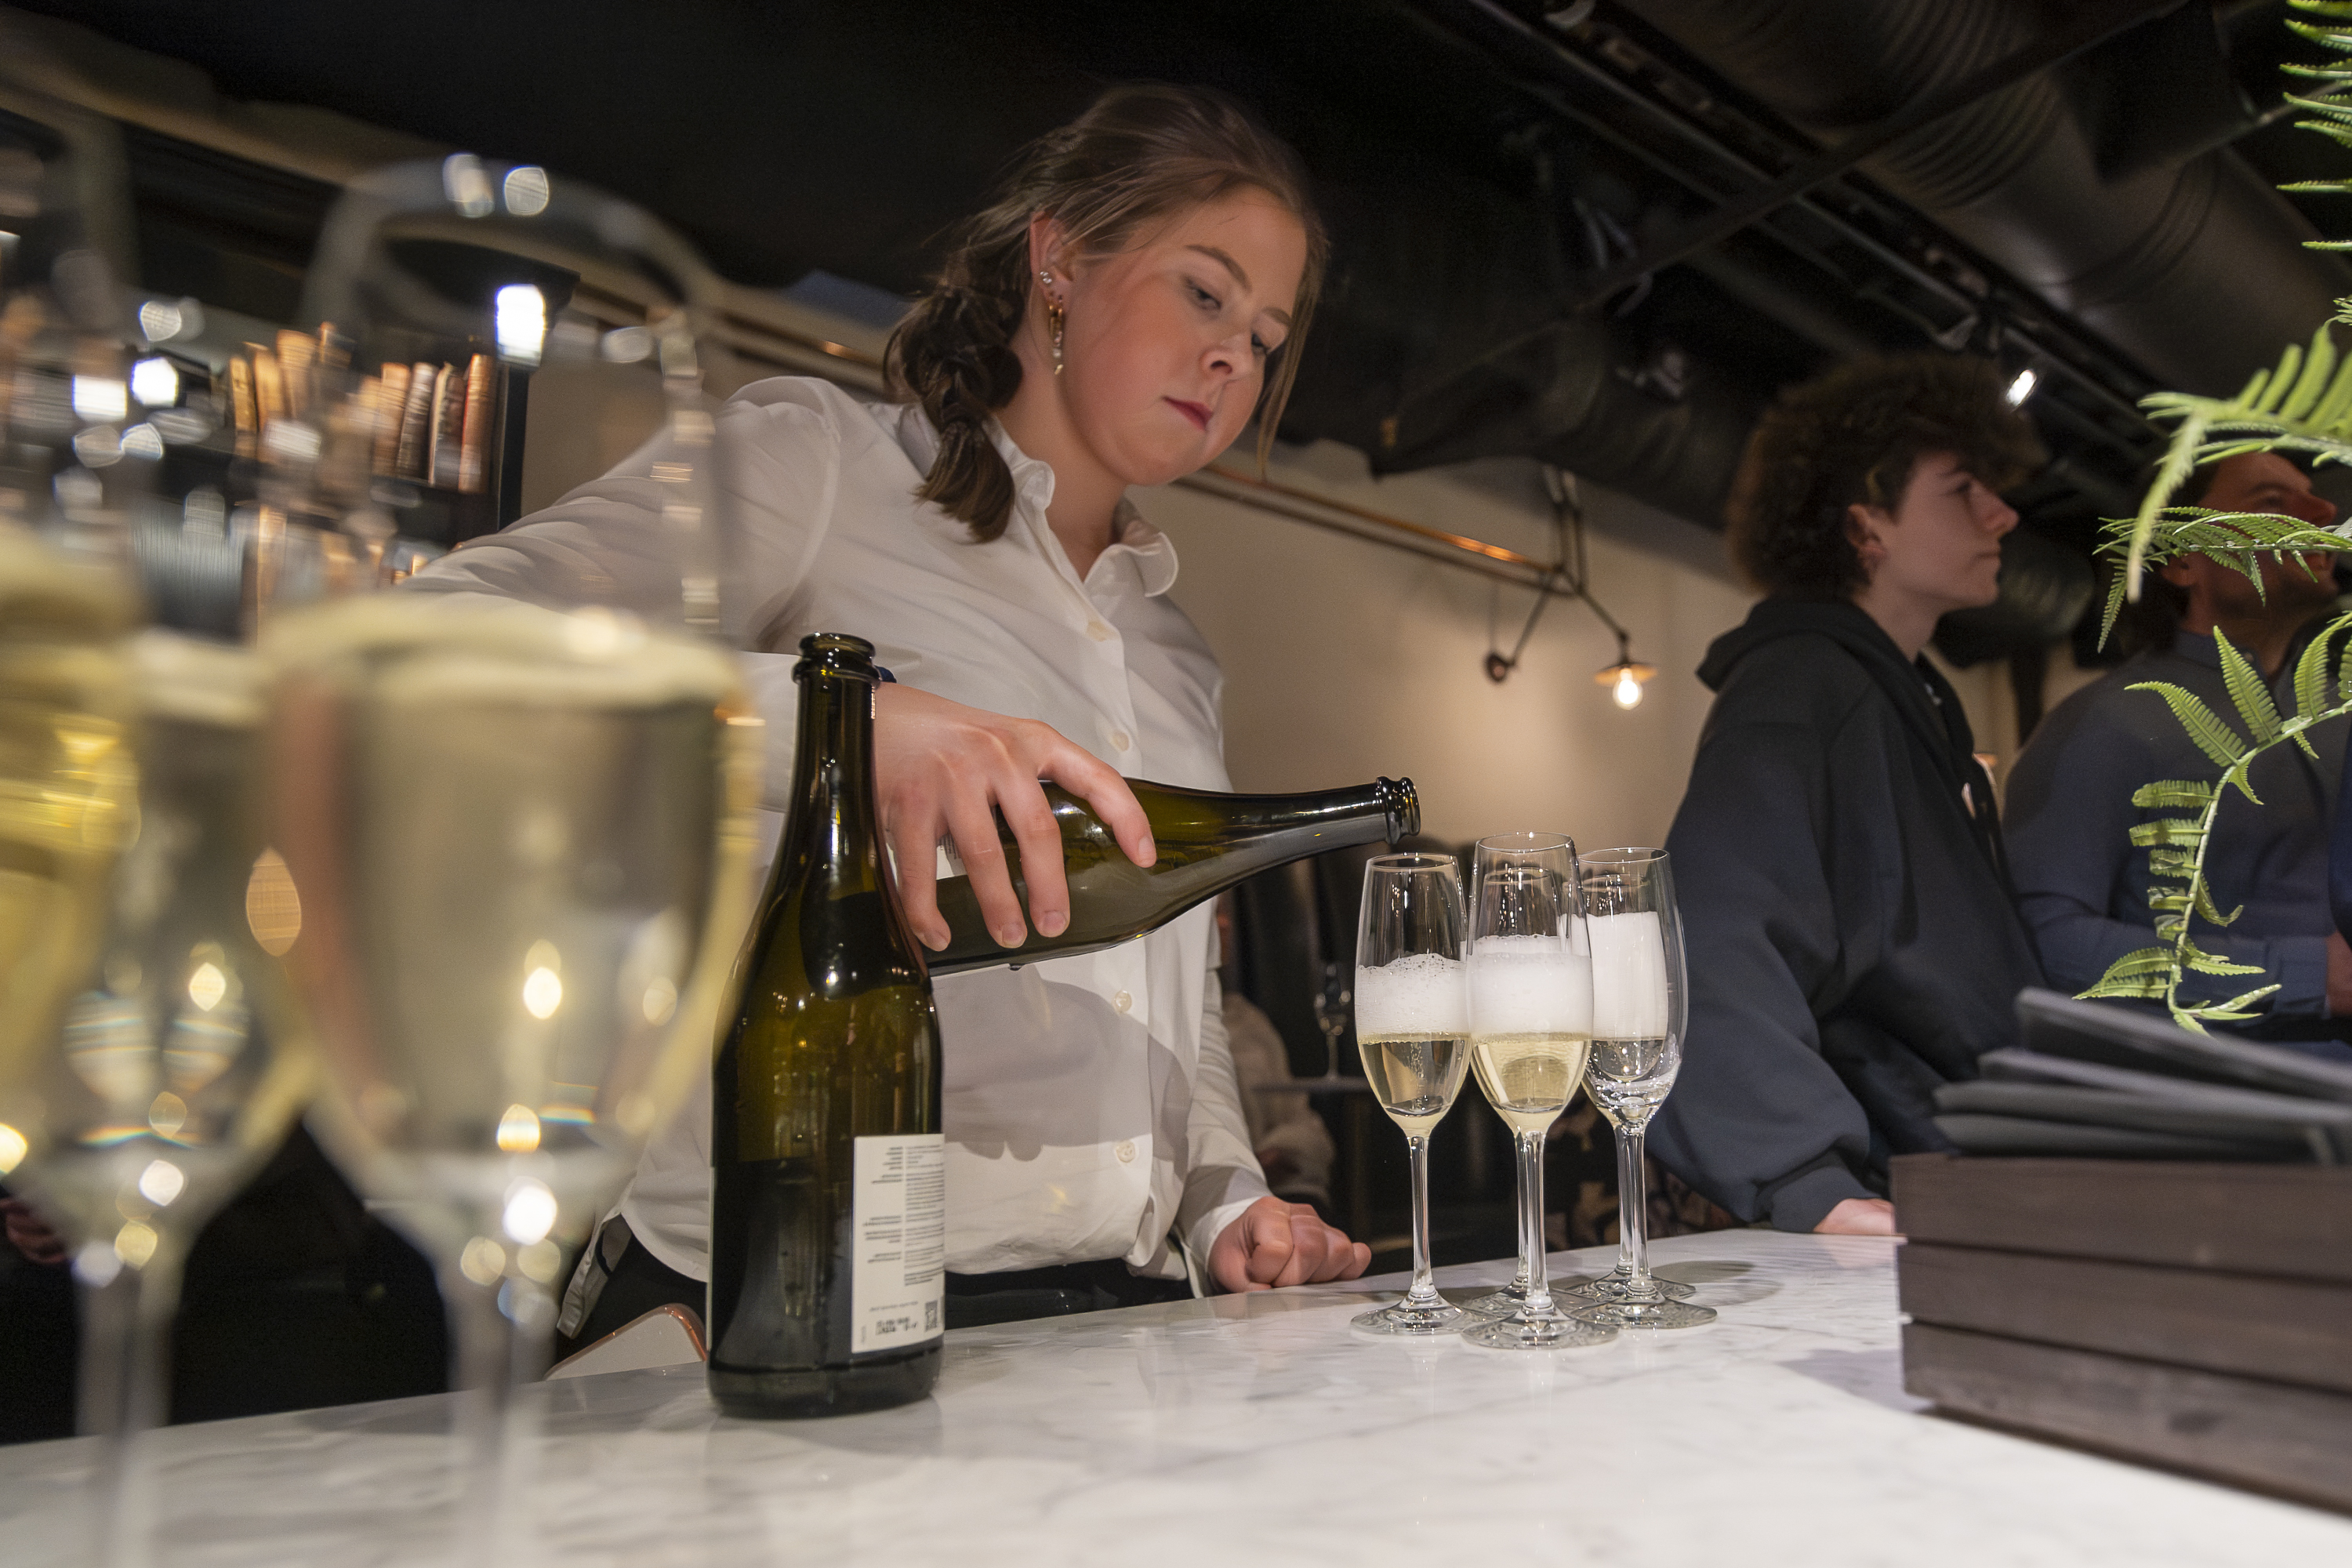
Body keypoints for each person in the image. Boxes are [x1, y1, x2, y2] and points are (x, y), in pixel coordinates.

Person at [411, 85, 1370, 1341]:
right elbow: (443, 641)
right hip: (783, 1296)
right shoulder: (822, 465)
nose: (1235, 357)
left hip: (1107, 1323)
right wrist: (842, 728)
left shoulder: (1177, 657)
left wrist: (1225, 1200)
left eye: (1265, 336)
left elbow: (1174, 1000)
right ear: (1061, 260)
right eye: (1204, 292)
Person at [1647, 354, 2046, 1236]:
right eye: (1963, 490)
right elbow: (1704, 946)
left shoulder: (1899, 700)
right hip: (1906, 1199)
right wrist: (1806, 1178)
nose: (2002, 513)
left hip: (1974, 1180)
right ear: (1867, 525)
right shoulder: (1799, 689)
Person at [2007, 452, 2352, 1040]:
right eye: (2271, 502)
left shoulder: (2340, 713)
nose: (2324, 511)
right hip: (2222, 1089)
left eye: (2314, 497)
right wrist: (2309, 976)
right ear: (2182, 561)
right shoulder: (2104, 722)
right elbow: (2044, 941)